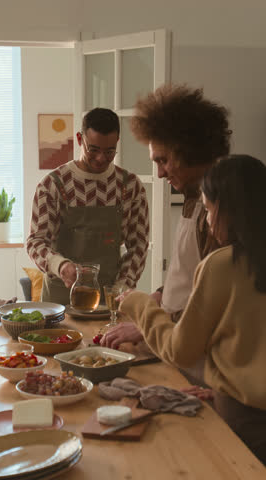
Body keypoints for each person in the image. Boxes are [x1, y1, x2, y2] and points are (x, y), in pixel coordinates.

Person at [117, 154, 266, 464]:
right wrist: (221, 385)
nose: (209, 222)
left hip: (244, 422)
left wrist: (140, 305)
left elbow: (180, 350)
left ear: (227, 209)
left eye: (210, 210)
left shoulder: (223, 265)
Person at [101, 84, 231, 360]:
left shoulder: (221, 213)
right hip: (172, 347)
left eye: (163, 160)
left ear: (191, 151)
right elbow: (184, 275)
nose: (159, 173)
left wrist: (148, 322)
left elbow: (215, 307)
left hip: (198, 360)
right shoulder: (192, 197)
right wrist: (158, 297)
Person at [27, 108, 149, 305]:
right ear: (79, 139)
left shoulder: (130, 186)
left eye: (109, 151)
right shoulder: (53, 185)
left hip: (110, 297)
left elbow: (139, 246)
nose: (101, 158)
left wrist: (122, 287)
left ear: (117, 142)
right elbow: (36, 242)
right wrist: (61, 266)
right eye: (93, 149)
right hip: (60, 299)